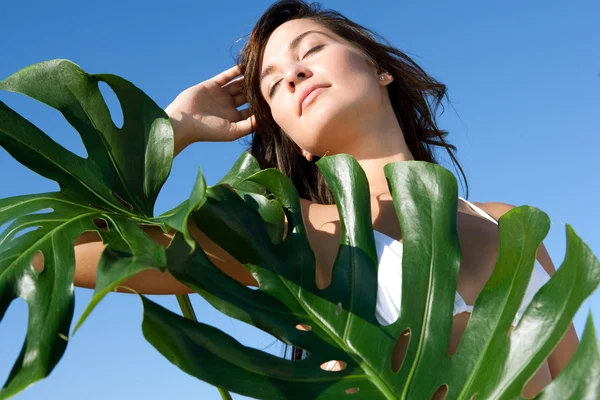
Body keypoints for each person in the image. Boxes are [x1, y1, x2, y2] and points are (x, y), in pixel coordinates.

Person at [70, 1, 579, 398]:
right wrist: (168, 133)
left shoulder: (509, 224)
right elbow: (66, 252)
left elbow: (578, 381)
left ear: (380, 69)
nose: (292, 74)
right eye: (272, 87)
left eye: (310, 50)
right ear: (296, 141)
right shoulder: (287, 231)